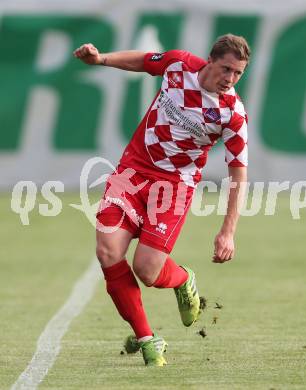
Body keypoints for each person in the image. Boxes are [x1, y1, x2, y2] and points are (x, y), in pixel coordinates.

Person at [73, 34, 250, 366]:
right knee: (108, 251)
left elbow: (238, 176)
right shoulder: (178, 65)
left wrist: (228, 232)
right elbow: (143, 61)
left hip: (174, 187)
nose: (230, 79)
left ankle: (183, 279)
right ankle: (147, 339)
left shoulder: (232, 115)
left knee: (147, 270)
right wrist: (100, 60)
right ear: (210, 60)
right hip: (132, 171)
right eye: (226, 69)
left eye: (238, 73)